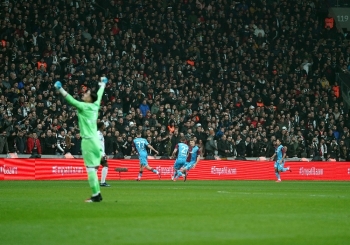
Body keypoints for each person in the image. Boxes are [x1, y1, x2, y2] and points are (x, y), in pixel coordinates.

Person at [54, 77, 108, 202]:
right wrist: (103, 84)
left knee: (90, 169)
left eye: (87, 94)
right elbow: (99, 94)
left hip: (88, 141)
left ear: (90, 99)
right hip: (96, 140)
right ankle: (97, 192)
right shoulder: (95, 105)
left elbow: (71, 100)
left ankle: (96, 195)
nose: (85, 94)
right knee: (95, 167)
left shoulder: (84, 106)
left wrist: (60, 88)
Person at [97, 122, 110, 187]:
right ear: (101, 126)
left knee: (96, 167)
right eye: (104, 125)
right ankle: (102, 182)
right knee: (105, 166)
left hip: (100, 153)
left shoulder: (101, 134)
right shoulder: (98, 134)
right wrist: (101, 154)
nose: (105, 126)